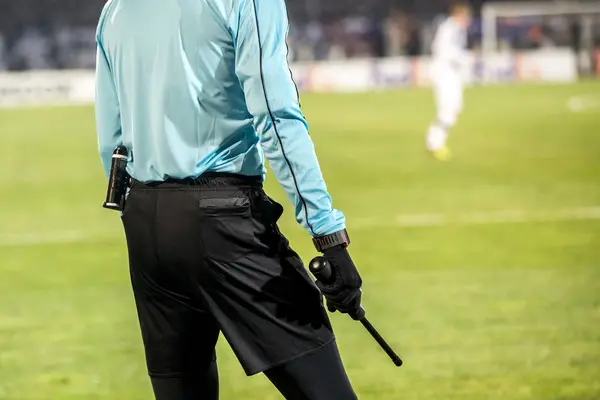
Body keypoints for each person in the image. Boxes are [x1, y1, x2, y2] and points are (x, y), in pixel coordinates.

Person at [94, 0, 363, 399]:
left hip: (147, 225)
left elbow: (110, 140)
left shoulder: (116, 8)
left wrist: (143, 212)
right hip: (223, 219)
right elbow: (275, 116)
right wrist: (326, 233)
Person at [426, 1, 472, 160]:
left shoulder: (458, 30)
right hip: (444, 74)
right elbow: (441, 49)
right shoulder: (449, 28)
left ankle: (433, 140)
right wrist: (463, 58)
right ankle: (435, 144)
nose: (469, 20)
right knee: (447, 111)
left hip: (452, 74)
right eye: (466, 16)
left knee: (455, 110)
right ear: (459, 15)